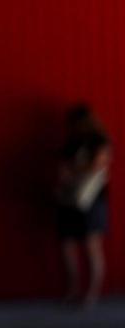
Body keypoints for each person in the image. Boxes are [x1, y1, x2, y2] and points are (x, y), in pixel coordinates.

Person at [56, 103, 111, 308]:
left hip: (92, 200)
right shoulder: (71, 143)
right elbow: (61, 167)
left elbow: (99, 163)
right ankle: (73, 289)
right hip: (69, 198)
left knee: (91, 245)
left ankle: (91, 294)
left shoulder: (99, 140)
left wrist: (75, 170)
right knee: (68, 244)